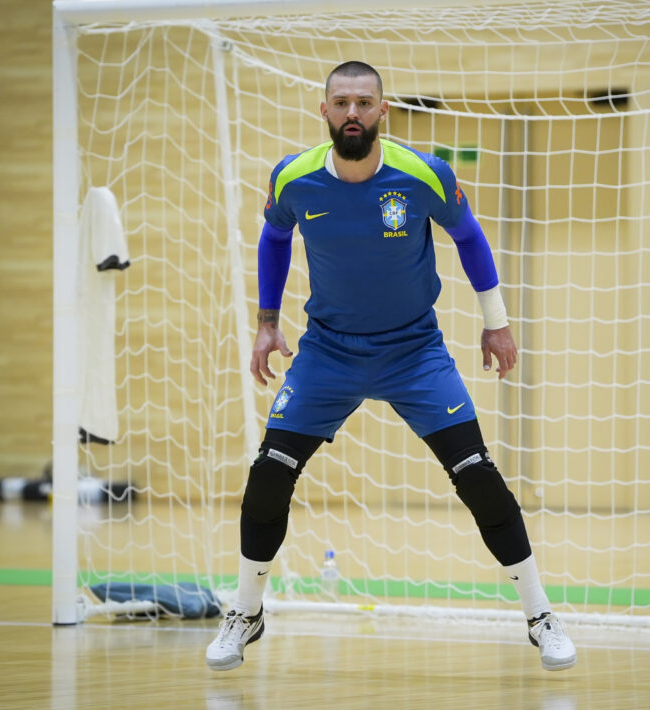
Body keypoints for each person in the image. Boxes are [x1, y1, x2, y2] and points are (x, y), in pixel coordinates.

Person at [206, 61, 576, 673]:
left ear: (384, 112)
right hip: (327, 353)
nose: (353, 112)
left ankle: (540, 615)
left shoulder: (423, 174)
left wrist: (497, 320)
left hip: (414, 353)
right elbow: (274, 238)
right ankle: (247, 613)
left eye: (365, 102)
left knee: (478, 476)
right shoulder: (293, 178)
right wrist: (267, 321)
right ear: (324, 111)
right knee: (268, 475)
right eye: (342, 102)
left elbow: (469, 236)